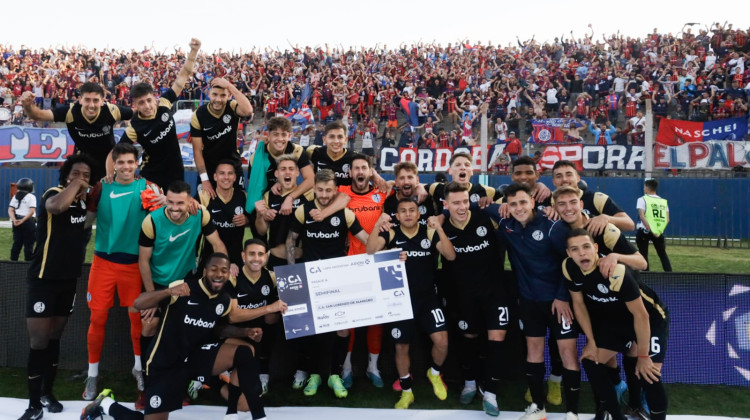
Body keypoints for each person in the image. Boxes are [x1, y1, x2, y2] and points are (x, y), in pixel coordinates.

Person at [80, 253, 285, 420]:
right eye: (214, 269)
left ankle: (251, 415)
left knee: (244, 351)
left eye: (224, 270)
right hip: (165, 363)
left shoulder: (223, 299)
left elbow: (218, 330)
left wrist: (245, 332)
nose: (219, 274)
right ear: (204, 270)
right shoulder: (184, 289)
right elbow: (138, 303)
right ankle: (106, 404)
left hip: (195, 357)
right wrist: (168, 292)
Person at [486, 183, 580, 420]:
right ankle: (538, 407)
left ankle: (572, 412)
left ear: (533, 202)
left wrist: (562, 296)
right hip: (529, 302)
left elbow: (570, 264)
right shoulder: (507, 224)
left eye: (523, 202)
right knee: (534, 351)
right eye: (513, 204)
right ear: (507, 205)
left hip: (559, 303)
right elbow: (484, 207)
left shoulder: (553, 227)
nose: (519, 208)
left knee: (567, 353)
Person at [82, 143, 166, 405]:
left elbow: (163, 221)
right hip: (102, 263)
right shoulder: (101, 187)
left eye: (131, 162)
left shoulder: (149, 188)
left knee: (136, 321)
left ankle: (139, 368)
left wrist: (164, 201)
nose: (126, 167)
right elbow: (86, 221)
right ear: (114, 164)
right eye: (122, 162)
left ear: (137, 163)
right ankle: (92, 374)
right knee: (97, 319)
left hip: (133, 265)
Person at [564, 229, 669, 420]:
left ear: (595, 248)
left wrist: (644, 355)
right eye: (575, 249)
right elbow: (578, 305)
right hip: (618, 320)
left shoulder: (615, 272)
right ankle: (616, 415)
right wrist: (591, 340)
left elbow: (641, 315)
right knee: (591, 359)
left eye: (586, 247)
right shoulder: (569, 268)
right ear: (569, 253)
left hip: (651, 317)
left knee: (648, 372)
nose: (582, 253)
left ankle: (647, 411)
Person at [20, 155, 94, 420]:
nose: (82, 177)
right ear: (66, 175)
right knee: (39, 341)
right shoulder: (56, 192)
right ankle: (32, 404)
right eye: (76, 173)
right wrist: (76, 183)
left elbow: (91, 216)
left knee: (54, 338)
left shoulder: (83, 203)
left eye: (86, 174)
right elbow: (55, 208)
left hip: (67, 280)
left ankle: (46, 393)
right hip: (43, 279)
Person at [285, 169, 369, 399]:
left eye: (328, 190)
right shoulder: (303, 210)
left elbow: (366, 240)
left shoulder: (345, 213)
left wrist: (389, 248)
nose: (323, 194)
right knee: (311, 328)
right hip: (311, 277)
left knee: (342, 328)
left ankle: (335, 374)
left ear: (335, 190)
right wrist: (293, 273)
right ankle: (314, 374)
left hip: (338, 278)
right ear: (314, 190)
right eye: (320, 190)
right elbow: (290, 241)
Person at [366, 199, 454, 409]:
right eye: (403, 211)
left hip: (427, 299)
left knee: (442, 341)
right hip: (400, 299)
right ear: (396, 215)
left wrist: (439, 229)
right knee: (401, 346)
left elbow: (450, 255)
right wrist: (382, 232)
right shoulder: (392, 233)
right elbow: (370, 252)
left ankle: (434, 373)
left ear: (418, 214)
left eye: (412, 211)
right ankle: (406, 392)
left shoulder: (429, 232)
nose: (407, 214)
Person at [138, 180, 228, 378]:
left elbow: (218, 245)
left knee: (184, 328)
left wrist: (223, 270)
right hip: (158, 281)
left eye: (180, 203)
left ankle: (184, 378)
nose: (174, 208)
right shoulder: (151, 221)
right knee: (149, 325)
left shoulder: (201, 214)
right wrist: (152, 295)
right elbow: (143, 260)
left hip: (186, 282)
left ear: (190, 202)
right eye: (170, 202)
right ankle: (145, 376)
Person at [440, 181, 510, 416]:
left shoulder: (485, 217)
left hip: (495, 291)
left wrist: (494, 203)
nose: (462, 207)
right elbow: (447, 256)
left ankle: (490, 393)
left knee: (497, 338)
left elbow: (510, 209)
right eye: (456, 202)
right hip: (464, 294)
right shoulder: (441, 227)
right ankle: (470, 382)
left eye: (464, 201)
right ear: (446, 204)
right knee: (468, 337)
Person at [337, 154, 389, 389]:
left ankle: (372, 367)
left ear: (370, 172)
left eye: (364, 168)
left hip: (377, 263)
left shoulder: (382, 193)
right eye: (356, 168)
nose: (359, 172)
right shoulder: (341, 192)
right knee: (350, 321)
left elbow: (409, 186)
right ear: (350, 173)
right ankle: (346, 367)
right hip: (350, 264)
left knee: (375, 320)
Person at [120, 38, 201, 190]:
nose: (147, 106)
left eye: (149, 100)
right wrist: (114, 176)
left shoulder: (164, 102)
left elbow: (183, 75)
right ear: (135, 105)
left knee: (176, 212)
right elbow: (118, 152)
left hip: (176, 173)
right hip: (151, 177)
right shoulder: (134, 128)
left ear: (155, 98)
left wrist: (194, 51)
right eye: (141, 103)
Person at [20, 82, 133, 181]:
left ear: (103, 101)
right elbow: (38, 115)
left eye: (96, 100)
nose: (91, 105)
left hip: (108, 162)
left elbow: (137, 113)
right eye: (87, 100)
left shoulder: (112, 110)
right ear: (80, 100)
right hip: (81, 163)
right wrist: (28, 105)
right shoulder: (70, 111)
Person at [222, 239, 283, 397]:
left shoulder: (273, 277)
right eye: (251, 254)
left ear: (266, 257)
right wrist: (268, 308)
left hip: (260, 331)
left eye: (260, 254)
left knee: (272, 320)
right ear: (243, 256)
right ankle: (223, 372)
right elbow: (233, 317)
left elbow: (273, 316)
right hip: (236, 330)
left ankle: (263, 373)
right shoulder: (233, 277)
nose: (256, 258)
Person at [190, 77, 253, 197]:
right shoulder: (198, 115)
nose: (218, 99)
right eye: (214, 94)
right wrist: (204, 179)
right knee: (204, 207)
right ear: (209, 93)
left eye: (223, 95)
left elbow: (248, 110)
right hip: (209, 169)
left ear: (229, 95)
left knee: (238, 208)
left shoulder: (232, 106)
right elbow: (197, 151)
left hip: (233, 166)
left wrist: (229, 85)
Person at [254, 154, 314, 270]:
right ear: (277, 174)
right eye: (283, 169)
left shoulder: (308, 194)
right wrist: (261, 216)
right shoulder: (269, 196)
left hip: (301, 260)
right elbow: (261, 231)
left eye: (291, 169)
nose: (287, 172)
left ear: (297, 173)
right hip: (276, 260)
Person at [196, 160, 248, 273]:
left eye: (230, 173)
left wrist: (247, 220)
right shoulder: (204, 196)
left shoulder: (243, 197)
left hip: (236, 258)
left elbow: (255, 223)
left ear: (235, 177)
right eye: (222, 173)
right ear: (215, 176)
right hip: (209, 257)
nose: (226, 177)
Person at [636, 179, 672, 272]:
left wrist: (649, 228)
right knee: (662, 254)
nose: (644, 189)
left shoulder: (642, 199)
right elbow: (667, 220)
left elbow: (642, 216)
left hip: (645, 230)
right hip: (659, 231)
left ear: (647, 188)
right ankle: (670, 275)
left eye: (644, 187)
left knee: (643, 254)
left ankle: (646, 276)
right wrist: (658, 231)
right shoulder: (664, 202)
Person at [9, 177, 36, 261]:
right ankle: (28, 263)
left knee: (17, 243)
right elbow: (32, 211)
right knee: (29, 244)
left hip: (16, 221)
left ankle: (12, 262)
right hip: (28, 221)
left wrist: (14, 220)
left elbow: (10, 209)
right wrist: (23, 220)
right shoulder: (31, 197)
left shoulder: (15, 196)